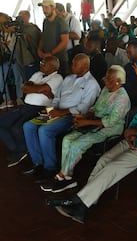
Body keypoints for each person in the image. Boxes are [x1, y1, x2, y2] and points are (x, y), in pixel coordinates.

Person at [46, 71, 137, 223]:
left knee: (114, 166)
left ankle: (79, 201)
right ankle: (85, 203)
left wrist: (135, 133)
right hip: (135, 140)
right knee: (104, 160)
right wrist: (130, 133)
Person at [39, 65, 131, 193]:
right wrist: (84, 115)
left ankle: (61, 176)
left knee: (76, 144)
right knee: (67, 139)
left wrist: (86, 122)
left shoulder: (122, 98)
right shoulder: (106, 89)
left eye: (109, 79)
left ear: (118, 82)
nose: (105, 80)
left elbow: (110, 122)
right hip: (93, 123)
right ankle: (68, 176)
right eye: (106, 77)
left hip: (110, 129)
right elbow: (96, 108)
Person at [23, 54, 101, 182]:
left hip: (71, 116)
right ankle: (38, 163)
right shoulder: (68, 78)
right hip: (56, 111)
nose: (71, 66)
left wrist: (61, 112)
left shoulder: (92, 84)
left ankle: (50, 167)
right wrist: (51, 109)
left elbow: (84, 108)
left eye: (75, 64)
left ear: (85, 66)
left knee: (45, 130)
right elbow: (57, 98)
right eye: (72, 63)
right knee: (28, 126)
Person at [0, 56, 63, 167]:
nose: (41, 64)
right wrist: (41, 89)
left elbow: (38, 88)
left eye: (44, 63)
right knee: (2, 122)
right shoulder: (37, 74)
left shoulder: (57, 77)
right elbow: (24, 88)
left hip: (41, 108)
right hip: (25, 106)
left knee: (17, 127)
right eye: (41, 62)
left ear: (53, 66)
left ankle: (22, 149)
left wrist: (36, 88)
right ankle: (18, 149)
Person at [37, 0, 69, 77]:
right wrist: (39, 49)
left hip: (59, 60)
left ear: (53, 8)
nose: (44, 10)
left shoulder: (60, 21)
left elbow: (64, 41)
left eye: (46, 8)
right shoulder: (45, 21)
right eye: (43, 8)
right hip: (48, 59)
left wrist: (51, 53)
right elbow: (43, 37)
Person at [14, 10, 41, 81]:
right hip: (21, 60)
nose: (21, 18)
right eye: (19, 16)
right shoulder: (18, 29)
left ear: (28, 17)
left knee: (33, 80)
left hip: (31, 59)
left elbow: (32, 40)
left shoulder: (32, 28)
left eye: (23, 16)